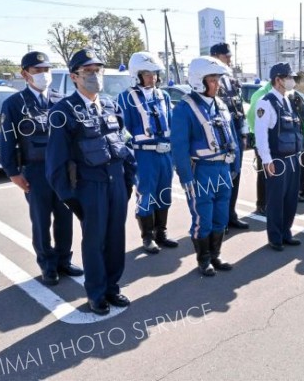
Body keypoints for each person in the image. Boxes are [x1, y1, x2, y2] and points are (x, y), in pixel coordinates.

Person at [46, 49, 136, 315]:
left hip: (116, 184)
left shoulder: (111, 104)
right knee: (94, 241)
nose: (95, 76)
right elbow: (56, 163)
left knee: (116, 237)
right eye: (88, 71)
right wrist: (70, 198)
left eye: (98, 70)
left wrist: (129, 181)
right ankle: (96, 293)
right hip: (89, 187)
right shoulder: (63, 111)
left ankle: (112, 287)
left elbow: (124, 144)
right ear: (74, 77)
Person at [0, 51, 81, 286]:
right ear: (25, 74)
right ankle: (48, 265)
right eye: (37, 71)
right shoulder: (13, 104)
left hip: (62, 170)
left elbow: (73, 136)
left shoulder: (62, 100)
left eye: (46, 70)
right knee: (41, 220)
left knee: (65, 217)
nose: (43, 75)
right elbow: (7, 140)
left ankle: (64, 260)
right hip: (35, 171)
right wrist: (13, 172)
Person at [171, 56, 240, 276]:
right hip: (201, 170)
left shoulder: (220, 105)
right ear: (199, 80)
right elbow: (179, 147)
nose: (217, 84)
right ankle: (203, 259)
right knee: (203, 218)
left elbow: (233, 137)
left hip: (223, 168)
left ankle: (216, 254)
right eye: (212, 79)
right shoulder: (185, 108)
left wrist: (235, 165)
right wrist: (186, 178)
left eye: (218, 79)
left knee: (221, 216)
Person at [117, 51, 179, 254]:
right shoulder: (126, 97)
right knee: (146, 194)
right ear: (136, 75)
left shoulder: (164, 95)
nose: (152, 78)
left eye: (155, 73)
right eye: (147, 73)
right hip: (143, 155)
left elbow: (171, 124)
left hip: (165, 154)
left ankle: (162, 232)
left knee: (164, 192)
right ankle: (147, 236)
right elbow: (122, 130)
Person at [254, 63, 303, 251]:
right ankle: (275, 237)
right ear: (278, 80)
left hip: (293, 157)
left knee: (290, 198)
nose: (292, 81)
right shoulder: (266, 103)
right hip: (277, 159)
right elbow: (261, 135)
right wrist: (266, 160)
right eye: (288, 77)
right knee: (276, 200)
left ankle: (286, 233)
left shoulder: (288, 100)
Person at [211, 42, 250, 230]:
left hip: (235, 130)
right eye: (226, 56)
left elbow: (239, 107)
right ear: (216, 56)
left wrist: (243, 133)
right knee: (223, 177)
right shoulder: (209, 80)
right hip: (221, 134)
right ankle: (220, 219)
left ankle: (231, 214)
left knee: (236, 174)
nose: (230, 59)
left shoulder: (231, 79)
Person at [247, 81, 272, 215]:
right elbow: (251, 117)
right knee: (263, 174)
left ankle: (271, 203)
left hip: (276, 142)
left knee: (274, 174)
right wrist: (260, 135)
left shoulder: (282, 94)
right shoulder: (261, 94)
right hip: (263, 141)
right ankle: (261, 204)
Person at [289, 70, 304, 201]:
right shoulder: (293, 98)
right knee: (299, 166)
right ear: (297, 83)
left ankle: (303, 188)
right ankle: (296, 191)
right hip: (301, 137)